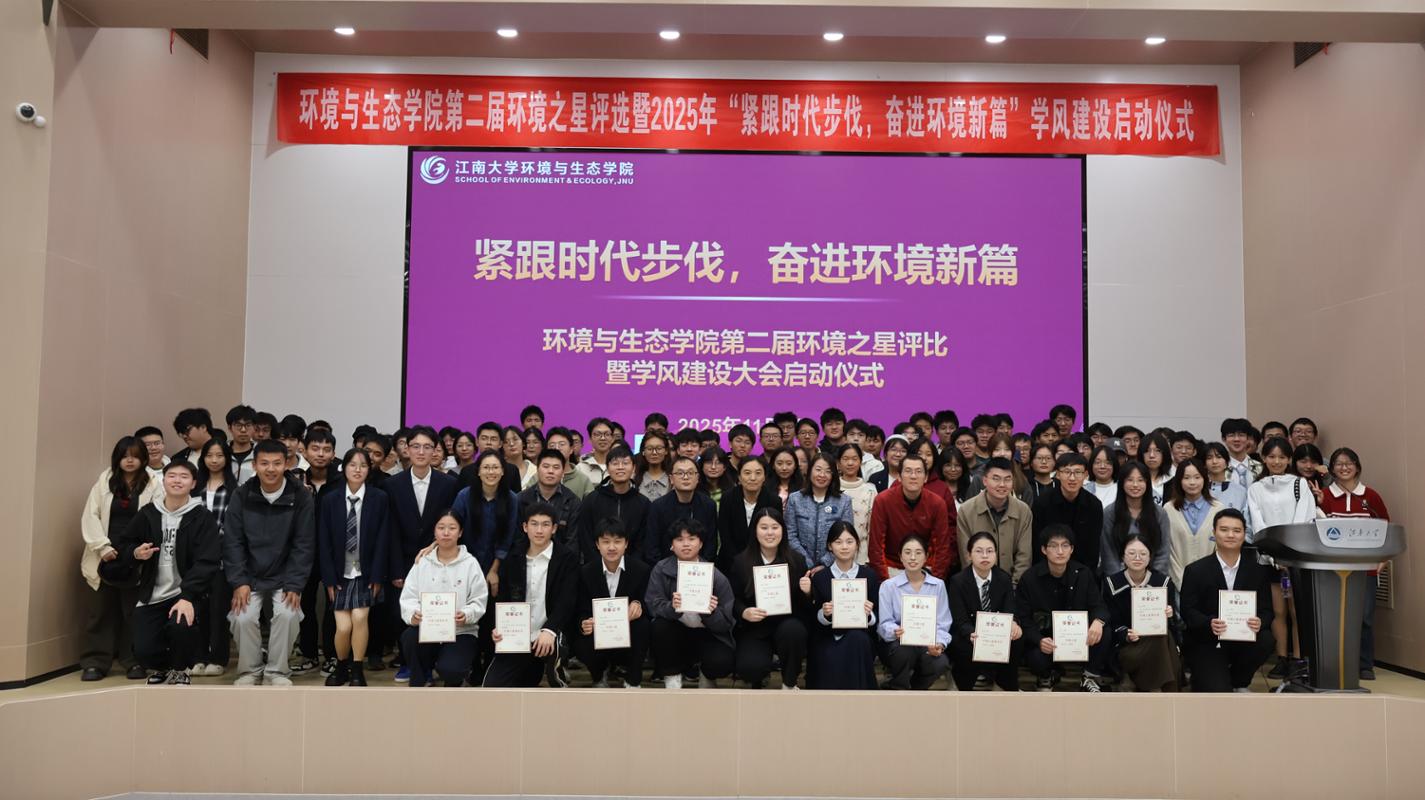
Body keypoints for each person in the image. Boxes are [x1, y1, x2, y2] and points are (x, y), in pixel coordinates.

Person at [108, 461, 221, 685]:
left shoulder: (202, 517)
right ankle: (163, 668)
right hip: (152, 592)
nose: (177, 480)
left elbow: (207, 561)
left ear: (193, 484)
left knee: (181, 628)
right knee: (142, 649)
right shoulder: (148, 513)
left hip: (185, 594)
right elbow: (124, 544)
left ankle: (180, 669)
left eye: (184, 477)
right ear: (164, 481)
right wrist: (136, 553)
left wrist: (188, 596)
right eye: (172, 476)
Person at [224, 439, 316, 686]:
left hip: (285, 574)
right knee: (241, 617)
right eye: (264, 463)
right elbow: (233, 542)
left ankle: (277, 671)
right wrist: (239, 581)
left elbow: (304, 544)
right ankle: (250, 670)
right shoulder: (241, 495)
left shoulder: (301, 496)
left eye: (277, 463)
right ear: (254, 465)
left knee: (288, 614)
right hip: (250, 574)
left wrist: (294, 584)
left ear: (286, 464)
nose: (271, 469)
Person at [79, 436, 162, 681]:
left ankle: (133, 661)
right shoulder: (104, 481)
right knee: (100, 612)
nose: (129, 460)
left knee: (133, 612)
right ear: (117, 458)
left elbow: (156, 517)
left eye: (135, 456)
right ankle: (95, 662)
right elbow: (90, 515)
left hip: (137, 555)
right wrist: (102, 546)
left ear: (143, 458)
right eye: (124, 456)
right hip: (104, 554)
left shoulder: (154, 483)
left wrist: (138, 551)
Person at [383, 425, 460, 682]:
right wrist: (396, 568)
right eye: (415, 446)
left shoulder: (448, 483)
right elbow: (390, 529)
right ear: (406, 449)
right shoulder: (392, 485)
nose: (421, 451)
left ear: (436, 450)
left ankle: (429, 663)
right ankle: (408, 662)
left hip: (437, 558)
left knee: (433, 611)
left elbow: (450, 522)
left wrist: (436, 548)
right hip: (403, 558)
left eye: (427, 447)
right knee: (403, 613)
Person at [1180, 509, 1275, 692]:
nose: (1230, 535)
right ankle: (1210, 677)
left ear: (1244, 534)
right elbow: (1188, 611)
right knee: (1218, 692)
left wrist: (1260, 621)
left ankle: (1240, 681)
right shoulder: (1195, 570)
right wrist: (1208, 623)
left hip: (1244, 638)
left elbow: (1267, 611)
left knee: (1266, 639)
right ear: (1214, 533)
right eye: (1224, 530)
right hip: (1208, 640)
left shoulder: (1257, 571)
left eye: (1237, 530)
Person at [484, 503, 578, 687]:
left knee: (554, 676)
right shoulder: (513, 556)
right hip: (518, 634)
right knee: (492, 686)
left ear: (554, 528)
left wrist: (549, 630)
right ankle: (532, 667)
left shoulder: (566, 558)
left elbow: (567, 601)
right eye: (534, 524)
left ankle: (557, 672)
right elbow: (503, 598)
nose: (539, 530)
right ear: (525, 527)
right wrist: (498, 626)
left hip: (551, 632)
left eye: (545, 524)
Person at [317, 448, 389, 687]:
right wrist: (329, 578)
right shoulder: (330, 499)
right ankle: (341, 666)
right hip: (340, 574)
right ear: (344, 468)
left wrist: (377, 575)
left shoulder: (379, 498)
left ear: (369, 470)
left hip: (366, 573)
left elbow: (383, 540)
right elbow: (324, 542)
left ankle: (357, 669)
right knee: (343, 626)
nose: (358, 470)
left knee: (360, 618)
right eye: (352, 465)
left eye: (363, 465)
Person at [1317, 447, 1390, 680]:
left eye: (1349, 463)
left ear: (1357, 467)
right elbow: (1316, 528)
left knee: (1364, 618)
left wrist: (1383, 559)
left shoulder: (1371, 496)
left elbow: (1386, 529)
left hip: (1365, 569)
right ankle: (1335, 664)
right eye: (1339, 463)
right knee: (1334, 619)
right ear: (1332, 469)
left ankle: (1364, 665)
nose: (1344, 467)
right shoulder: (1325, 495)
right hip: (1332, 570)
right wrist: (1318, 504)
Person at [1247, 437, 1317, 678]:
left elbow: (1303, 519)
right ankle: (1281, 658)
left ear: (1289, 460)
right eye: (1271, 456)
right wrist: (1273, 555)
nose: (1276, 461)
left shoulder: (1299, 484)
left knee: (1297, 610)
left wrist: (1289, 555)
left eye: (1282, 457)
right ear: (1263, 458)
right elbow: (1258, 524)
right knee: (1277, 611)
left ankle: (1298, 659)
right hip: (1269, 559)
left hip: (1297, 559)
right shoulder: (1256, 488)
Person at [1017, 524, 1111, 692]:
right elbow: (1023, 618)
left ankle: (1089, 677)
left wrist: (1098, 621)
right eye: (1053, 546)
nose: (1060, 551)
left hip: (1079, 638)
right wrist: (1039, 640)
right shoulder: (1030, 578)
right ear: (1044, 550)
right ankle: (1047, 676)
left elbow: (1098, 605)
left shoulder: (1083, 574)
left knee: (1104, 630)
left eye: (1065, 545)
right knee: (1034, 654)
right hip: (1048, 640)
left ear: (1072, 549)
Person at [399, 511, 488, 687]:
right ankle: (419, 681)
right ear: (434, 531)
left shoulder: (470, 563)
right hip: (427, 629)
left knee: (451, 670)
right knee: (409, 637)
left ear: (460, 532)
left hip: (460, 632)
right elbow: (408, 597)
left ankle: (456, 678)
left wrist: (466, 614)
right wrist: (414, 614)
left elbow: (479, 599)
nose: (446, 533)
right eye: (441, 528)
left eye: (452, 528)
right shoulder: (422, 562)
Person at [644, 519, 737, 689]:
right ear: (672, 545)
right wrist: (672, 607)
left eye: (692, 539)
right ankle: (672, 676)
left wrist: (711, 612)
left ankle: (707, 675)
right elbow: (652, 605)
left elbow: (727, 622)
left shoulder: (715, 575)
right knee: (659, 627)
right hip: (676, 632)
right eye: (679, 539)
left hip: (707, 633)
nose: (686, 544)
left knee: (722, 661)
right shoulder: (661, 569)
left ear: (700, 543)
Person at [729, 508, 811, 689]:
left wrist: (807, 592)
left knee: (794, 631)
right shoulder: (741, 561)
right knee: (750, 669)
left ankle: (789, 682)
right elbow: (733, 598)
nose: (770, 533)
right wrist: (744, 612)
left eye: (775, 527)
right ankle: (759, 676)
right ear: (755, 530)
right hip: (755, 628)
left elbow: (805, 607)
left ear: (783, 530)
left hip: (787, 624)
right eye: (764, 527)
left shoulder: (796, 560)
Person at [573, 517, 651, 688]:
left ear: (626, 544)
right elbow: (581, 609)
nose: (611, 547)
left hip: (627, 634)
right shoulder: (586, 572)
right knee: (579, 639)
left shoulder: (641, 570)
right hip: (599, 634)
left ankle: (633, 679)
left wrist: (638, 605)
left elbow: (648, 603)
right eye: (606, 542)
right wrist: (584, 622)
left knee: (643, 625)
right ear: (597, 544)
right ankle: (598, 675)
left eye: (617, 541)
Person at [1102, 536, 1182, 692]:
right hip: (1128, 647)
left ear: (1150, 557)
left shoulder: (1163, 583)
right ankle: (1166, 689)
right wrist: (1125, 634)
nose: (1137, 558)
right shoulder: (1112, 584)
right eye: (1132, 553)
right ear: (1123, 556)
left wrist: (1170, 616)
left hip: (1158, 641)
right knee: (1163, 639)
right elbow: (1110, 623)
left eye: (1143, 554)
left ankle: (1139, 682)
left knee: (1162, 635)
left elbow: (1174, 627)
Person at [806, 521, 879, 690]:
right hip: (828, 636)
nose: (844, 547)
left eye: (849, 541)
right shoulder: (820, 577)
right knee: (823, 648)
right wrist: (825, 614)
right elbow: (813, 619)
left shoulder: (869, 575)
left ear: (857, 544)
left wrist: (868, 614)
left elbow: (876, 618)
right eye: (838, 542)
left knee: (857, 638)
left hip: (860, 637)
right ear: (830, 546)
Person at [947, 531, 1022, 691]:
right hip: (970, 632)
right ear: (969, 555)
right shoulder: (958, 581)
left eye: (990, 551)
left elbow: (1010, 609)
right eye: (979, 551)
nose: (985, 556)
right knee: (962, 644)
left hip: (995, 632)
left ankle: (1005, 686)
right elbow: (960, 619)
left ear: (995, 554)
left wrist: (1014, 623)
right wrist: (971, 633)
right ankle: (962, 685)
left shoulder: (1003, 578)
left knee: (1016, 639)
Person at [876, 535, 951, 689]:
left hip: (926, 643)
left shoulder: (938, 585)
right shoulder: (888, 586)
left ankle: (915, 690)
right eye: (907, 552)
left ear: (926, 556)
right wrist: (895, 631)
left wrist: (938, 643)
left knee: (940, 662)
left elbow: (943, 623)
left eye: (918, 552)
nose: (912, 557)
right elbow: (884, 623)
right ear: (900, 556)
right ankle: (900, 688)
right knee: (904, 652)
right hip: (898, 644)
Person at [190, 438, 237, 677]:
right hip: (195, 558)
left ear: (227, 458)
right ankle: (198, 656)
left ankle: (218, 658)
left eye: (219, 455)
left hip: (222, 558)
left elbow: (234, 526)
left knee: (218, 609)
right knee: (197, 609)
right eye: (209, 455)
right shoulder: (194, 487)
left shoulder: (234, 490)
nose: (214, 460)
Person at [869, 454, 954, 579]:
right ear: (899, 476)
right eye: (908, 471)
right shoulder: (883, 501)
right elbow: (876, 546)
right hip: (892, 567)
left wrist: (935, 580)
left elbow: (942, 548)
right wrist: (885, 581)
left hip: (926, 567)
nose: (913, 476)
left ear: (926, 477)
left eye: (918, 472)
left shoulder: (937, 503)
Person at [955, 458, 1034, 584]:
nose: (1002, 485)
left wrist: (1014, 586)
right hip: (976, 585)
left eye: (1007, 479)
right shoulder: (966, 511)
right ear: (985, 481)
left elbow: (1024, 556)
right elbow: (967, 556)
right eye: (996, 479)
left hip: (1013, 585)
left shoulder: (1023, 511)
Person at [572, 445, 651, 564]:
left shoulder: (644, 503)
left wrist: (631, 565)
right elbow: (585, 536)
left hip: (633, 568)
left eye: (625, 463)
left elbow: (644, 541)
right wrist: (598, 563)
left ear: (634, 468)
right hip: (597, 566)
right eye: (615, 463)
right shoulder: (592, 500)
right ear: (608, 469)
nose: (620, 467)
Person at [1031, 453, 1104, 575]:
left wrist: (1085, 576)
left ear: (1086, 474)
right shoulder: (1042, 503)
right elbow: (1037, 544)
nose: (1072, 478)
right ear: (1058, 474)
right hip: (1048, 569)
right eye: (1067, 472)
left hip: (1082, 571)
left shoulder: (1094, 505)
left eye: (1078, 472)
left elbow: (1093, 548)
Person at [643, 455, 719, 565]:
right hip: (665, 568)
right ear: (671, 479)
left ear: (697, 478)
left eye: (690, 473)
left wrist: (701, 567)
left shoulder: (708, 505)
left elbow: (711, 545)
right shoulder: (658, 506)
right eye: (680, 473)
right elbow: (652, 547)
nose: (685, 477)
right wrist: (665, 569)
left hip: (699, 568)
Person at [1099, 461, 1171, 576]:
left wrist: (1153, 579)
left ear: (1147, 483)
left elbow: (1163, 553)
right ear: (1122, 483)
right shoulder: (1110, 512)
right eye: (1130, 480)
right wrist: (1120, 580)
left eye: (1140, 480)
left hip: (1153, 580)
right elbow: (1108, 554)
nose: (1135, 485)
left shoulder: (1159, 513)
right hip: (1118, 579)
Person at [785, 453, 854, 570]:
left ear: (833, 475)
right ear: (810, 471)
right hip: (799, 565)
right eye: (818, 470)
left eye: (828, 471)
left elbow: (846, 537)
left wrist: (825, 563)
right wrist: (807, 562)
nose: (822, 475)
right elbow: (790, 535)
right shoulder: (795, 499)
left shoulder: (844, 501)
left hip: (833, 567)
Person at [1163, 458, 1225, 588]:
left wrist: (1209, 581)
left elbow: (1221, 549)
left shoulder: (1218, 509)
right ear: (1179, 481)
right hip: (1177, 583)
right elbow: (1169, 551)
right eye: (1186, 478)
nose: (1192, 482)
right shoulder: (1169, 509)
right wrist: (1181, 582)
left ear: (1205, 479)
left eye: (1197, 477)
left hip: (1211, 584)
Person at [715, 455, 782, 573]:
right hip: (730, 561)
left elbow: (773, 534)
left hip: (762, 562)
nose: (752, 478)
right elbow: (725, 534)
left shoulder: (773, 500)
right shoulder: (728, 498)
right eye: (747, 473)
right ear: (739, 477)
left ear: (764, 477)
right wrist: (739, 562)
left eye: (758, 473)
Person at [518, 449, 582, 552]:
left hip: (561, 559)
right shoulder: (521, 499)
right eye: (546, 466)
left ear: (563, 472)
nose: (550, 471)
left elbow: (572, 542)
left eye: (556, 467)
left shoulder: (572, 502)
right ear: (537, 469)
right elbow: (517, 537)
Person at [836, 444, 878, 563]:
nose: (850, 463)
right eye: (845, 459)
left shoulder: (870, 490)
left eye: (854, 459)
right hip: (835, 554)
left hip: (862, 555)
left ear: (860, 462)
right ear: (838, 463)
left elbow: (873, 528)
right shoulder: (832, 488)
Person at [545, 427, 595, 499]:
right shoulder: (538, 477)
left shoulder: (583, 480)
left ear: (571, 449)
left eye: (561, 444)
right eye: (552, 445)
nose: (557, 448)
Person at [1202, 442, 1249, 516]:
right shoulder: (1199, 490)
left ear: (1227, 462)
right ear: (1204, 464)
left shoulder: (1240, 491)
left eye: (1219, 457)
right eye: (1209, 458)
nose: (1214, 461)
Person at [577, 417, 616, 485]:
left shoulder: (620, 467)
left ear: (612, 438)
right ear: (590, 439)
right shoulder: (580, 468)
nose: (603, 438)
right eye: (598, 434)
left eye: (607, 434)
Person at [225, 405, 259, 485]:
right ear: (230, 428)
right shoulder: (221, 452)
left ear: (254, 427)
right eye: (238, 425)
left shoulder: (261, 453)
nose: (243, 430)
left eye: (248, 425)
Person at [635, 431, 672, 502]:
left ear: (666, 451)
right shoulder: (635, 478)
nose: (654, 453)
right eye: (649, 449)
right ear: (643, 451)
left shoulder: (673, 478)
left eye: (659, 448)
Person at [1140, 433, 1173, 504]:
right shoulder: (1134, 480)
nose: (1152, 455)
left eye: (1157, 450)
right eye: (1147, 451)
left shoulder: (1173, 480)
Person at [502, 425, 537, 490]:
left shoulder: (535, 471)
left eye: (515, 439)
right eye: (506, 442)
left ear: (523, 443)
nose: (511, 444)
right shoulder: (498, 470)